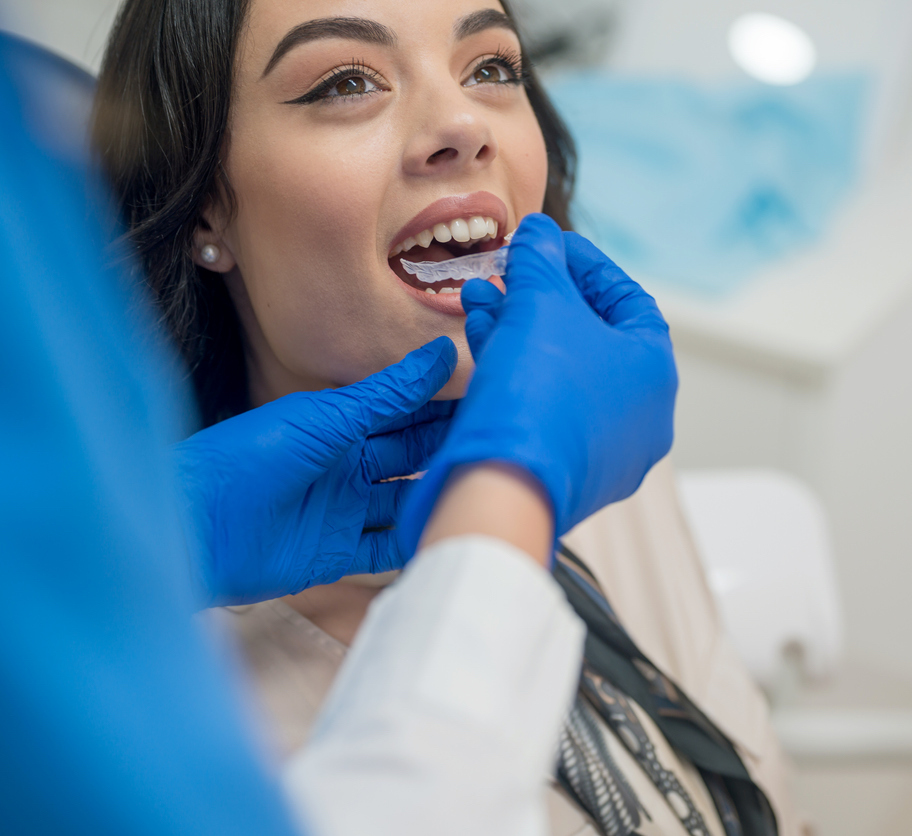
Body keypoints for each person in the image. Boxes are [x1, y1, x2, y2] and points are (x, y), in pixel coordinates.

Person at [91, 0, 803, 834]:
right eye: (345, 81)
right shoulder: (148, 717)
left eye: (492, 68)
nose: (464, 122)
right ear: (207, 207)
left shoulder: (605, 468)